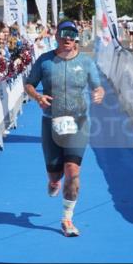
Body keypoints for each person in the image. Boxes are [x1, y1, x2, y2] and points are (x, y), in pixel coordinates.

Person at [23, 20, 105, 237]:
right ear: (57, 36)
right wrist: (37, 96)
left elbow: (97, 86)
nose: (68, 38)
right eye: (64, 34)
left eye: (72, 35)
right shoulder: (45, 60)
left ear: (76, 38)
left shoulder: (86, 62)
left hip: (79, 123)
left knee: (72, 170)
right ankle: (53, 181)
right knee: (55, 173)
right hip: (51, 122)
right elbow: (29, 84)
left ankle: (67, 219)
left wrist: (98, 93)